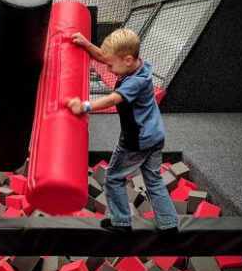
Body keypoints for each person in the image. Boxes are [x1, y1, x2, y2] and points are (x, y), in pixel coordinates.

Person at [68, 28, 178, 234]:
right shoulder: (139, 65)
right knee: (153, 180)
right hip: (155, 135)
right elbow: (103, 55)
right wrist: (85, 43)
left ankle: (121, 222)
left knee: (114, 178)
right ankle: (169, 223)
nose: (108, 70)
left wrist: (85, 106)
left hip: (137, 139)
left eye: (110, 66)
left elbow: (112, 99)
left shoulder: (135, 82)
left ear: (127, 60)